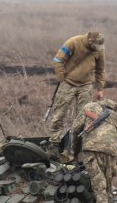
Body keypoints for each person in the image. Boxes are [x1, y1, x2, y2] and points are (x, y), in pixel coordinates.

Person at [70, 98, 117, 203]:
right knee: (107, 181)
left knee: (97, 180)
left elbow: (75, 130)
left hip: (91, 149)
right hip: (111, 153)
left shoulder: (88, 107)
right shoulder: (115, 116)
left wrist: (75, 150)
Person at [46, 31, 107, 159]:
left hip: (85, 85)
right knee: (59, 114)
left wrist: (100, 88)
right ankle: (54, 145)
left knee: (83, 118)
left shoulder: (98, 50)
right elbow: (58, 60)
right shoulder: (73, 42)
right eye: (96, 46)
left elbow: (100, 70)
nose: (98, 50)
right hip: (68, 83)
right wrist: (62, 78)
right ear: (90, 41)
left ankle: (77, 148)